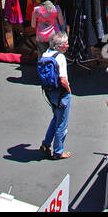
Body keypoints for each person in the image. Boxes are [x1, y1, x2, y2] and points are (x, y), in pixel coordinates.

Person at [38, 31, 72, 160]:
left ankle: (46, 144)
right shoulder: (60, 58)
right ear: (59, 46)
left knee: (56, 118)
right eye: (66, 44)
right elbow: (63, 79)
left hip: (50, 92)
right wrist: (68, 90)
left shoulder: (45, 54)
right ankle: (58, 151)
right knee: (62, 123)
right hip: (62, 93)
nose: (67, 46)